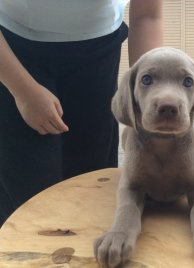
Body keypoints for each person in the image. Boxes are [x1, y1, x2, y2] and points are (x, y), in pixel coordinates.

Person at [0, 0, 163, 226]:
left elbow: (147, 16)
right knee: (28, 195)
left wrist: (147, 98)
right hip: (16, 52)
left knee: (92, 188)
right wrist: (23, 90)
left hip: (99, 52)